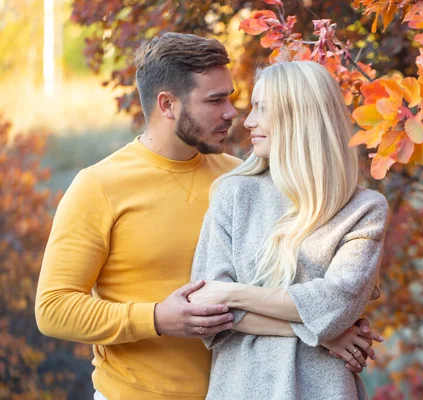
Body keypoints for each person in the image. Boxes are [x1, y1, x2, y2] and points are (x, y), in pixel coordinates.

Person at [35, 33, 379, 400]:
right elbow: (54, 309)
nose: (232, 112)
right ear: (167, 105)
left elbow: (303, 275)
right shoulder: (99, 186)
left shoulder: (241, 180)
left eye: (229, 96)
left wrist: (324, 323)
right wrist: (155, 318)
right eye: (215, 100)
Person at [188, 61, 389, 400]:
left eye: (263, 109)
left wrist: (231, 293)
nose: (249, 121)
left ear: (301, 116)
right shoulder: (234, 193)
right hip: (240, 387)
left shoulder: (364, 209)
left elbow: (335, 303)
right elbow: (207, 308)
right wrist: (321, 333)